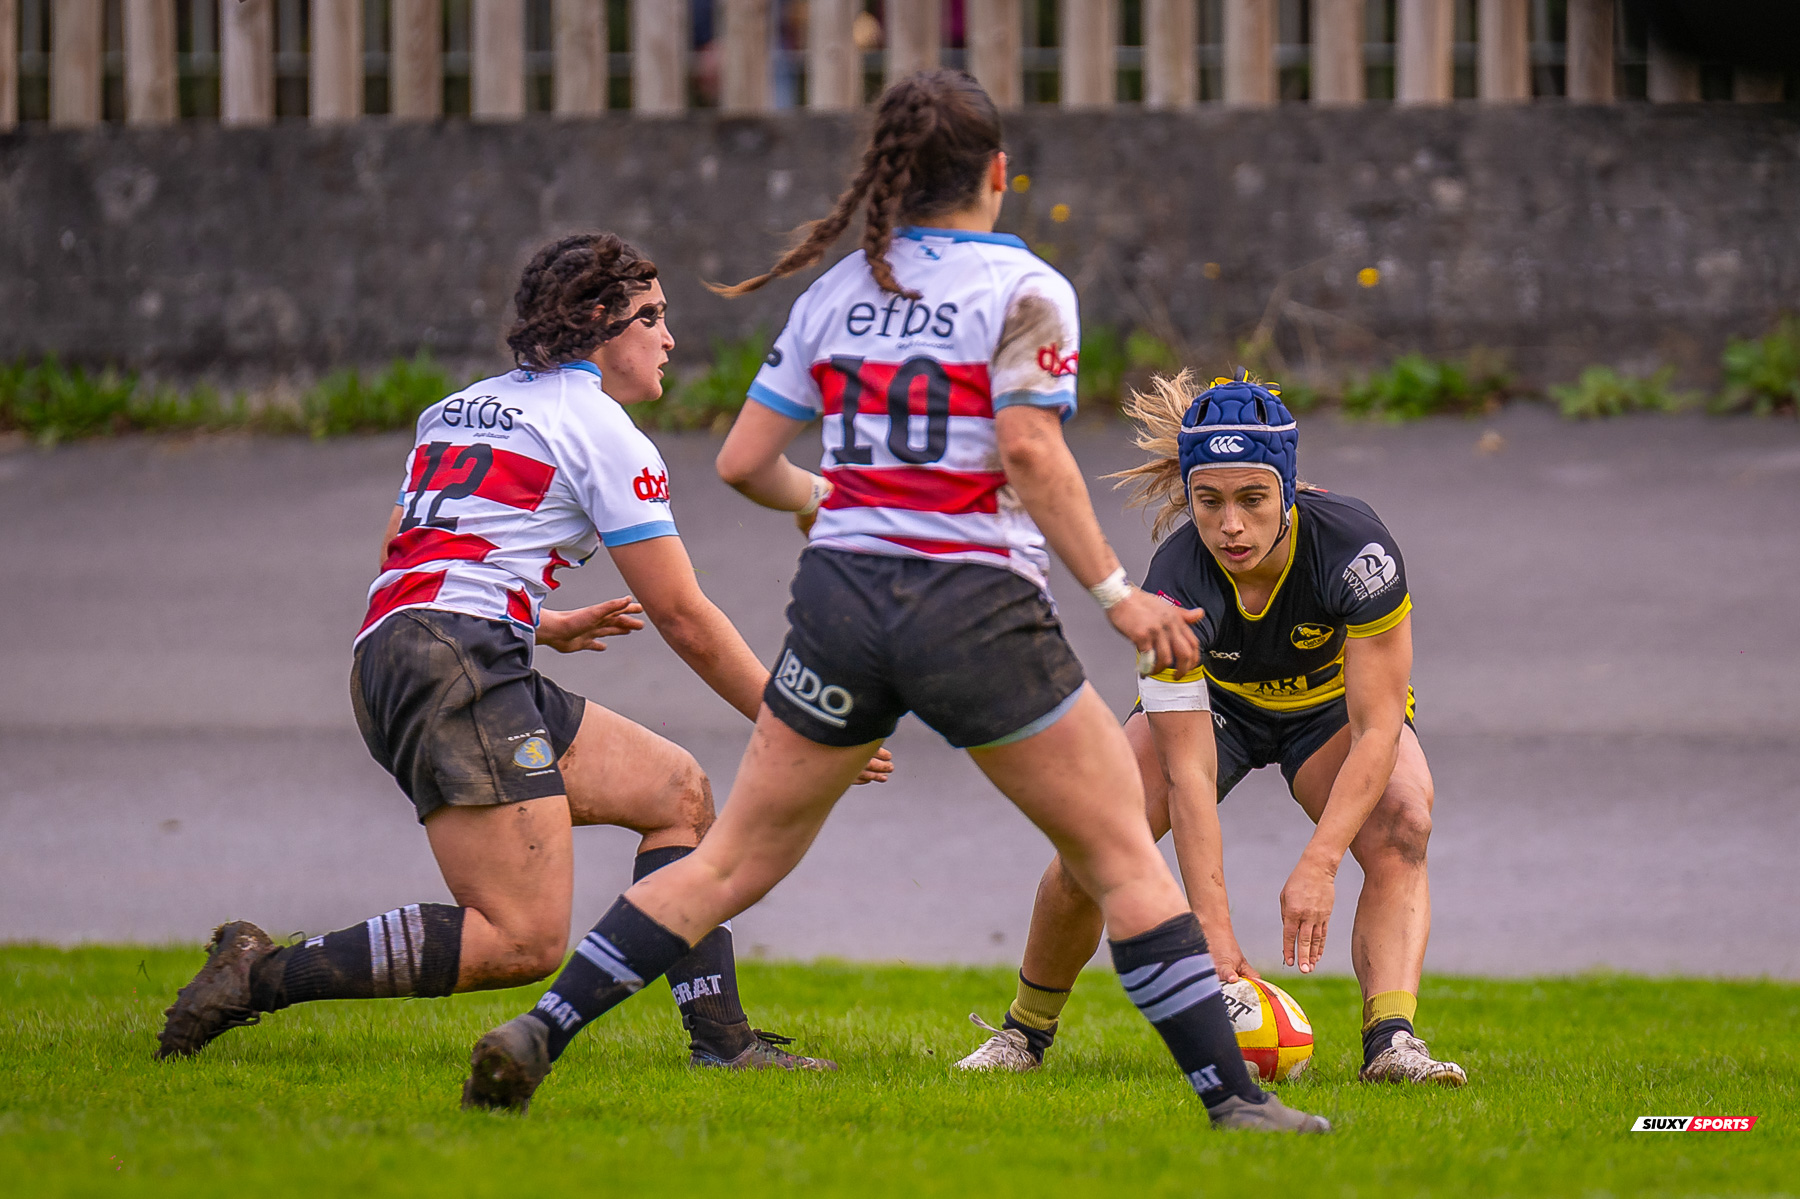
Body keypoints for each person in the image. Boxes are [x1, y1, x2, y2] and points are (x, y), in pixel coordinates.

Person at [461, 70, 1329, 1133]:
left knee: (731, 856)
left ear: (892, 179)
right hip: (973, 603)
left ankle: (540, 1029)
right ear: (999, 175)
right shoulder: (1026, 289)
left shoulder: (835, 293)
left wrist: (825, 498)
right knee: (1120, 856)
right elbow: (1027, 447)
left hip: (841, 601)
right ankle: (1233, 1102)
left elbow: (743, 460)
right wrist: (1115, 593)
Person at [154, 232, 893, 1072]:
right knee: (520, 937)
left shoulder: (459, 407)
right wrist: (793, 721)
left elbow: (414, 549)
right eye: (652, 317)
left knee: (675, 791)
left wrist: (541, 622)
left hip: (414, 646)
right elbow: (683, 614)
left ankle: (722, 1044)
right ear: (603, 325)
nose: (669, 338)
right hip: (459, 659)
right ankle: (262, 973)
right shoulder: (603, 432)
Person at [954, 370, 1466, 1087]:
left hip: (1325, 711)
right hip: (1216, 710)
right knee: (1093, 837)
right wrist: (1215, 936)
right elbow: (1187, 772)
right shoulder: (1175, 583)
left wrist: (1319, 862)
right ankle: (1022, 1033)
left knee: (1404, 820)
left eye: (1253, 500)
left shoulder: (1358, 552)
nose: (1231, 525)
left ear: (1288, 491)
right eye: (1209, 501)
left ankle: (1392, 1043)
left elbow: (1377, 727)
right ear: (1188, 495)